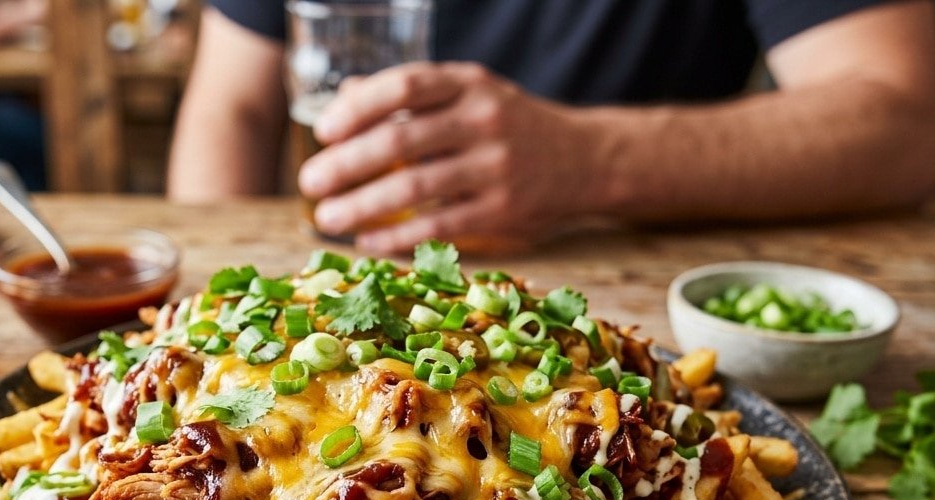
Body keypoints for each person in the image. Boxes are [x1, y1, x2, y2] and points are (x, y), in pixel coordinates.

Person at [166, 1, 935, 254]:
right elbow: (230, 105)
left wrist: (588, 161)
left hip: (634, 288)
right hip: (317, 287)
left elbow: (904, 117)